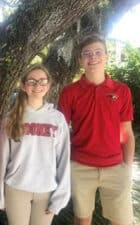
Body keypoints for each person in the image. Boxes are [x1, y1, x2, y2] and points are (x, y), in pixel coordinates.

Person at [58, 34, 135, 225]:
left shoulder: (121, 90)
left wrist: (127, 167)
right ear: (80, 60)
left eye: (98, 52)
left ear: (106, 56)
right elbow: (60, 132)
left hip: (117, 167)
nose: (93, 57)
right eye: (87, 53)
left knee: (121, 221)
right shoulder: (69, 92)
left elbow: (127, 132)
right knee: (82, 220)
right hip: (80, 167)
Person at [0, 64, 71, 225]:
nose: (38, 86)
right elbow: (1, 159)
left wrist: (60, 197)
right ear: (23, 85)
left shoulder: (57, 119)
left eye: (43, 81)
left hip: (46, 191)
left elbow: (64, 160)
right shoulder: (11, 118)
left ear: (49, 85)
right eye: (32, 81)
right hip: (16, 188)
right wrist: (0, 195)